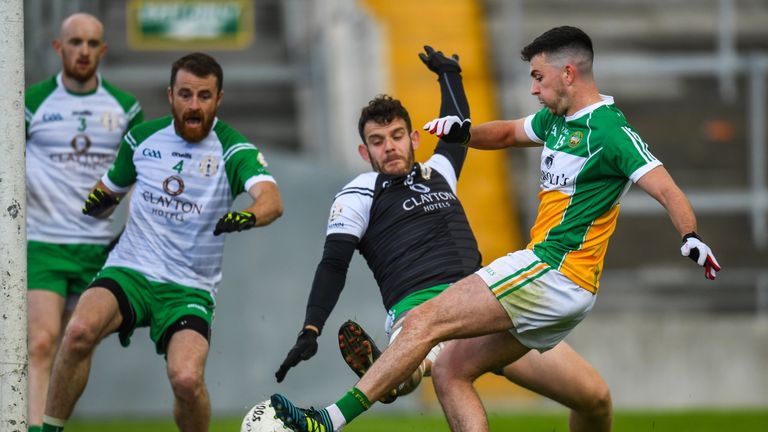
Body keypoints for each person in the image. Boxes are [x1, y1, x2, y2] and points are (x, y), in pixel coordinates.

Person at [270, 26, 721, 432]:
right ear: (363, 149)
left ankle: (325, 421)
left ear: (568, 73)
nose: (532, 89)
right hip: (542, 283)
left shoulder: (610, 131)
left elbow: (667, 188)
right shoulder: (556, 121)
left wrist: (690, 235)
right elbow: (505, 134)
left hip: (550, 271)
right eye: (376, 140)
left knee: (425, 326)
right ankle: (403, 371)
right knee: (479, 377)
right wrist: (464, 132)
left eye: (538, 78)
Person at [40, 52, 283, 432]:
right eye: (186, 94)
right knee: (78, 332)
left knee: (186, 380)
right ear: (171, 95)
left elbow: (271, 200)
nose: (194, 105)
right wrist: (93, 204)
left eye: (204, 96)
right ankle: (46, 429)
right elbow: (107, 194)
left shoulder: (233, 148)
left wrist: (248, 215)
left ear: (219, 99)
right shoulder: (141, 138)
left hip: (188, 287)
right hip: (129, 271)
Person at [24, 12, 144, 432]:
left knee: (75, 346)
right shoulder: (32, 102)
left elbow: (136, 178)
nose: (83, 51)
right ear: (59, 47)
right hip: (43, 242)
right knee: (39, 341)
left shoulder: (126, 108)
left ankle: (50, 424)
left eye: (92, 44)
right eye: (75, 42)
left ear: (103, 51)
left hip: (97, 247)